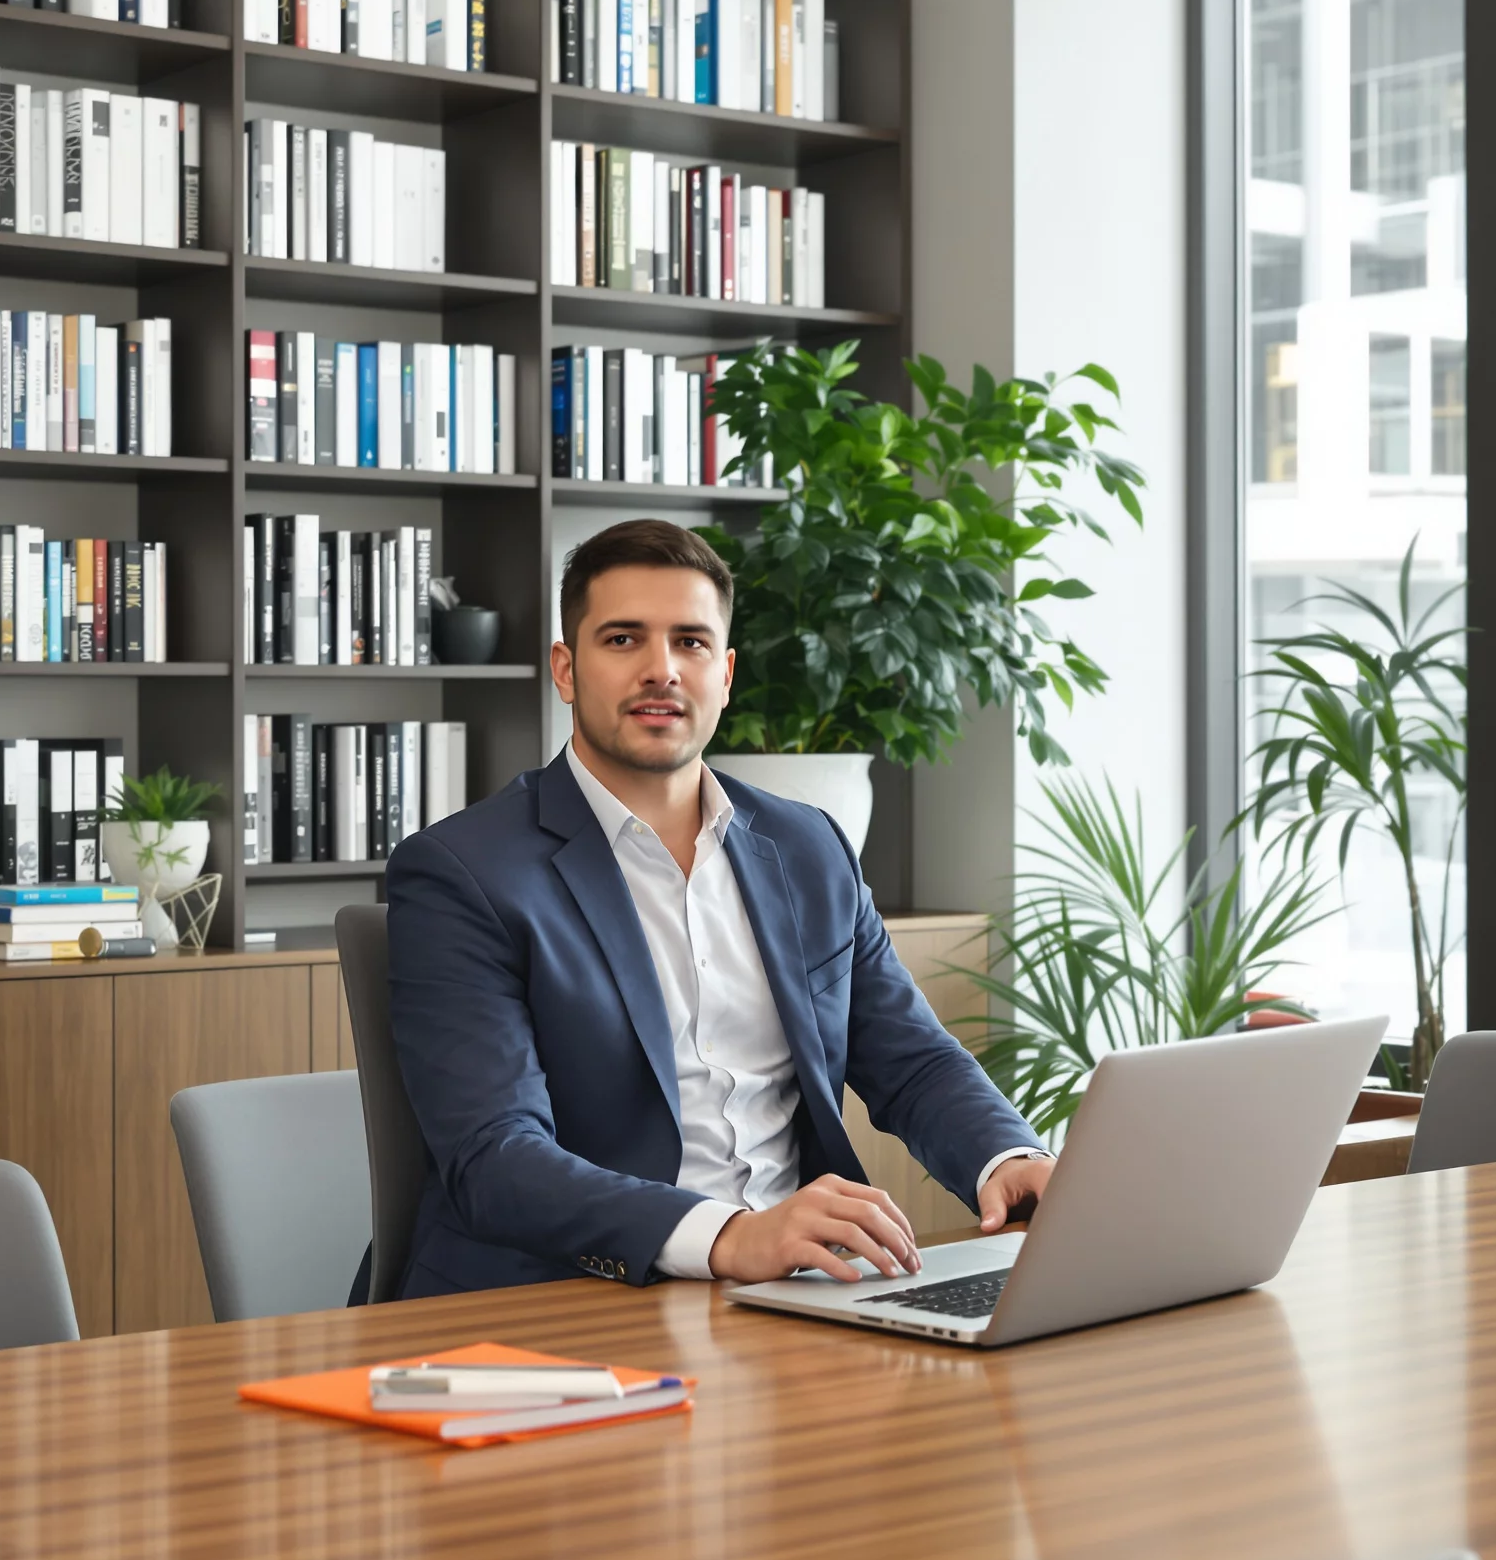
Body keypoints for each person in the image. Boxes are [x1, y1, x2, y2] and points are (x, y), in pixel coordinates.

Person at [384, 518, 1053, 1296]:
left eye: (691, 642)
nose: (662, 670)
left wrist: (1011, 1159)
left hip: (797, 1294)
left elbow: (913, 1059)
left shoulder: (809, 848)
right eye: (624, 640)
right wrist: (729, 1235)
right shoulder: (462, 873)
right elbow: (496, 1156)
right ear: (565, 669)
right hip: (569, 1298)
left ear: (726, 673)